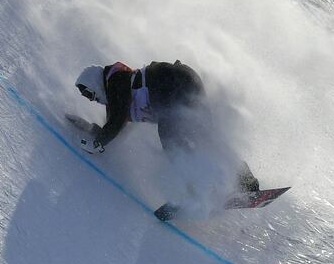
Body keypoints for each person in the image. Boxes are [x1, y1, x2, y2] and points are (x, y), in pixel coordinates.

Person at [70, 60, 259, 193]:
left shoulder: (115, 81)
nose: (93, 100)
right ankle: (246, 182)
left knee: (170, 137)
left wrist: (98, 143)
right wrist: (94, 131)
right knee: (205, 136)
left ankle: (195, 188)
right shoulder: (117, 91)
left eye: (90, 94)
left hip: (176, 83)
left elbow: (116, 121)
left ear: (94, 83)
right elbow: (116, 127)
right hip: (184, 81)